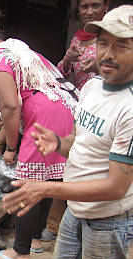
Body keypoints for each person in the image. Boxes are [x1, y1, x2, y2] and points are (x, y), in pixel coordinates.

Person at [1, 6, 133, 259]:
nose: (108, 53)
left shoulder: (130, 108)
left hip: (108, 218)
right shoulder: (92, 89)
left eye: (122, 46)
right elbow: (82, 142)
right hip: (77, 210)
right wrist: (58, 144)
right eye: (104, 43)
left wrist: (45, 188)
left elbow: (115, 186)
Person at [0, 13, 77, 259]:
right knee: (47, 176)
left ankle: (21, 250)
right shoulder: (18, 48)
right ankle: (36, 238)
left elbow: (10, 108)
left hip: (41, 116)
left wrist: (11, 148)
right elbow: (16, 106)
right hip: (62, 109)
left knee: (24, 182)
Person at [42, 0, 109, 243]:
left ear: (106, 7)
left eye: (95, 6)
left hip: (105, 108)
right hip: (77, 105)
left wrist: (99, 68)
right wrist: (68, 59)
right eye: (84, 7)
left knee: (96, 165)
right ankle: (55, 224)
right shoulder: (79, 39)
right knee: (68, 162)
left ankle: (97, 225)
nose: (89, 12)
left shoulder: (113, 39)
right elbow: (60, 73)